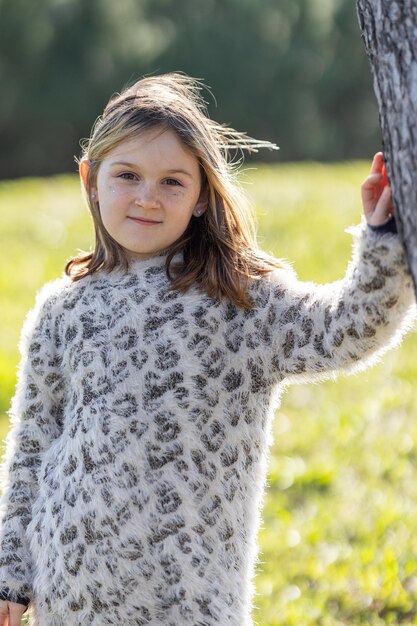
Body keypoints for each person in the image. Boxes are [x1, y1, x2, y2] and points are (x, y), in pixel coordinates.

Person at [0, 72, 415, 626]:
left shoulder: (237, 299)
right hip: (68, 598)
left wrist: (383, 236)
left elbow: (345, 329)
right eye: (128, 175)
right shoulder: (62, 309)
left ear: (201, 197)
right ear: (91, 180)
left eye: (173, 182)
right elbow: (32, 449)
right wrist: (11, 573)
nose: (148, 197)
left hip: (187, 601)